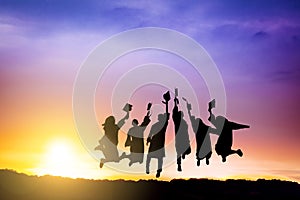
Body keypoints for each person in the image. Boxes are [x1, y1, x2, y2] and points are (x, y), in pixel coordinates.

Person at [94, 103, 131, 168]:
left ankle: (103, 154)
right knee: (116, 160)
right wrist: (127, 113)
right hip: (112, 145)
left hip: (109, 145)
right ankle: (103, 152)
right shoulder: (115, 128)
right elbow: (123, 121)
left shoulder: (107, 128)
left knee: (114, 159)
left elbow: (106, 136)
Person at [184, 98, 216, 166]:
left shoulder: (196, 128)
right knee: (205, 152)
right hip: (205, 145)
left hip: (202, 145)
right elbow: (215, 131)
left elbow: (190, 117)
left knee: (201, 153)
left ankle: (200, 159)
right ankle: (203, 159)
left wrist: (188, 109)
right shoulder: (204, 127)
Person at [146, 91, 170, 178]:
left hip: (158, 143)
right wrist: (148, 139)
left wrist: (167, 103)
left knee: (156, 158)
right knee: (153, 157)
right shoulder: (158, 125)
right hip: (155, 142)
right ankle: (149, 169)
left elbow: (167, 115)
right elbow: (150, 133)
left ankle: (157, 170)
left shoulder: (163, 125)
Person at [172, 89, 191, 172]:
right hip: (179, 139)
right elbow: (174, 112)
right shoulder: (177, 121)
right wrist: (175, 102)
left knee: (187, 151)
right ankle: (179, 165)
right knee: (179, 153)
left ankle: (183, 154)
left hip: (185, 139)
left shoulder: (183, 123)